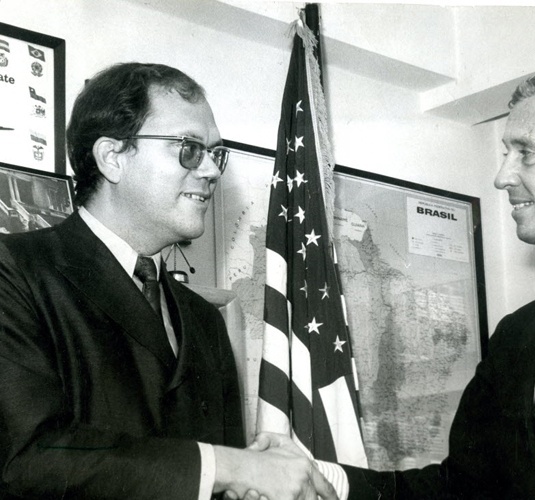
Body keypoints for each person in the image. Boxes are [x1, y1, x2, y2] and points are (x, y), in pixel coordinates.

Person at [256, 64, 535, 499]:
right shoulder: (517, 334)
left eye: (527, 152)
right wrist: (326, 479)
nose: (503, 176)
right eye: (507, 153)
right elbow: (463, 487)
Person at [0, 62, 336, 500]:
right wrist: (230, 466)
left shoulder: (205, 320)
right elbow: (26, 459)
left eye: (216, 154)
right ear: (112, 157)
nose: (213, 171)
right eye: (189, 148)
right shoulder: (15, 273)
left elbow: (222, 477)